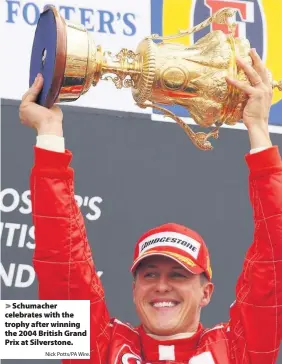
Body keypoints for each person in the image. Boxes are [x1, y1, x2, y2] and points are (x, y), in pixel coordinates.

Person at [19, 49, 281, 363]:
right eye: (149, 274)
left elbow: (274, 256)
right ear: (134, 290)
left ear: (206, 293)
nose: (161, 286)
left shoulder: (238, 351)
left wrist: (258, 129)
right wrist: (48, 131)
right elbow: (61, 261)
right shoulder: (103, 346)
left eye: (179, 275)